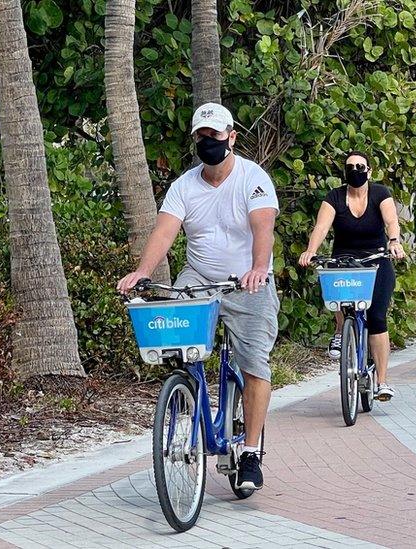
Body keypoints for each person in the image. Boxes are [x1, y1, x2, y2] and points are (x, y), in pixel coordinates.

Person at [117, 103, 279, 491]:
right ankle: (186, 398)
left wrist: (258, 267)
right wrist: (142, 271)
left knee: (255, 364)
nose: (209, 143)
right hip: (199, 278)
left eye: (216, 136)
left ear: (231, 137)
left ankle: (252, 452)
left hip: (246, 282)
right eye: (201, 137)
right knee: (179, 348)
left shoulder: (253, 179)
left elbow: (263, 229)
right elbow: (164, 232)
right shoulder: (184, 186)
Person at [298, 152, 406, 402]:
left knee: (377, 317)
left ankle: (382, 382)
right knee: (338, 295)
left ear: (369, 171)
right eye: (350, 167)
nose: (355, 170)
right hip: (344, 260)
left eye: (360, 166)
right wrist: (311, 251)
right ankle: (340, 332)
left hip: (376, 260)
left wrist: (394, 242)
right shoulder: (334, 197)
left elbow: (391, 221)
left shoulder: (380, 193)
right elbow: (322, 227)